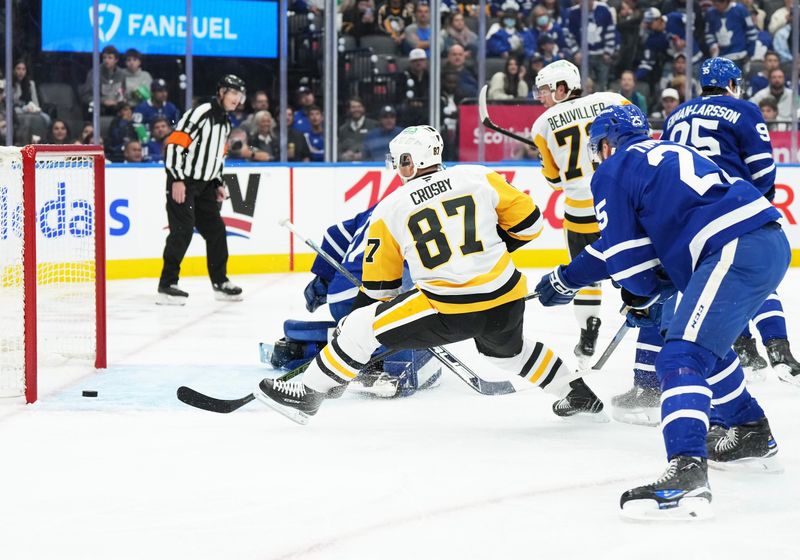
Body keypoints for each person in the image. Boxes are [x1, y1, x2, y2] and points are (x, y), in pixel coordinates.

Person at [535, 103, 789, 519]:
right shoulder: (668, 154)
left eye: (598, 149)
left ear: (604, 144)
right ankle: (749, 431)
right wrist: (566, 278)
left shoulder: (613, 170)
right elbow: (615, 252)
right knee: (702, 343)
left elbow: (630, 263)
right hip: (762, 240)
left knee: (679, 355)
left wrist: (642, 295)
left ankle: (687, 473)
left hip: (730, 248)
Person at [254, 125, 579, 424]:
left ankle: (307, 397)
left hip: (449, 308)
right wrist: (488, 253)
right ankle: (579, 395)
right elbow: (531, 224)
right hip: (507, 299)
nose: (395, 167)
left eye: (398, 160)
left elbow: (381, 288)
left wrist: (350, 334)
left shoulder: (392, 205)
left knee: (358, 326)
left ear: (409, 161)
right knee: (510, 354)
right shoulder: (478, 176)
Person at [664, 58, 800, 386]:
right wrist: (755, 203)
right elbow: (765, 173)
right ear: (732, 85)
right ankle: (777, 347)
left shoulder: (674, 116)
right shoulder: (744, 110)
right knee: (754, 275)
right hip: (730, 206)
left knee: (717, 281)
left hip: (685, 218)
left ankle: (745, 349)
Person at [530, 60, 630, 417]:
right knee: (633, 263)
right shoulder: (612, 99)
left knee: (585, 272)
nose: (540, 97)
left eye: (544, 89)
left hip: (580, 211)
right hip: (620, 202)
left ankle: (589, 328)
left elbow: (555, 181)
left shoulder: (541, 126)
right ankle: (645, 311)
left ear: (561, 87)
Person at [268, 206, 440, 398]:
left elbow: (335, 234)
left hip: (339, 297)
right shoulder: (423, 206)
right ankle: (394, 367)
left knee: (358, 330)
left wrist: (322, 281)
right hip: (375, 293)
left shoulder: (381, 206)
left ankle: (303, 347)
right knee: (410, 325)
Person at [157, 74, 247, 305]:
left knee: (216, 231)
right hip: (184, 182)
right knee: (182, 231)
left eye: (239, 94)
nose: (237, 98)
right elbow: (176, 144)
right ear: (221, 92)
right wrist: (176, 178)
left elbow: (218, 155)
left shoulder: (225, 121)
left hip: (206, 186)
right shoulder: (201, 113)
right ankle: (167, 285)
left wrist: (217, 182)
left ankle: (220, 282)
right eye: (233, 93)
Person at [563, 0, 617, 91]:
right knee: (585, 85)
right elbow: (569, 35)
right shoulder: (573, 12)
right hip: (583, 56)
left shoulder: (603, 9)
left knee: (602, 85)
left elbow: (610, 31)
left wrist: (608, 51)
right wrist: (576, 52)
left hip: (601, 54)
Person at [704, 0, 757, 70]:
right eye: (714, 3)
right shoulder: (710, 13)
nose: (716, 6)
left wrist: (750, 53)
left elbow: (751, 32)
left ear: (726, 2)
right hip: (719, 57)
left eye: (718, 3)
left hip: (739, 55)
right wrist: (712, 44)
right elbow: (708, 33)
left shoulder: (741, 10)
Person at [11, 60, 50, 144]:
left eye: (23, 69)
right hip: (16, 111)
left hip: (31, 110)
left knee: (46, 118)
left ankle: (42, 142)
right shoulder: (9, 83)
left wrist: (34, 108)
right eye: (18, 69)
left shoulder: (30, 84)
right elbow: (11, 104)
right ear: (13, 70)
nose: (21, 72)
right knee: (27, 119)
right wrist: (24, 109)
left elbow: (36, 103)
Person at [80, 45, 124, 116]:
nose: (106, 60)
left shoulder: (121, 74)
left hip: (117, 108)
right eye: (104, 57)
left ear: (116, 60)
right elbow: (85, 96)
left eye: (110, 58)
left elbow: (124, 93)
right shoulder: (94, 73)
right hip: (99, 108)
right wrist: (103, 101)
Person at [338, 97, 376, 162]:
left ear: (363, 108)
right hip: (348, 167)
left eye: (359, 106)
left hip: (369, 166)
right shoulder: (343, 129)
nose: (356, 109)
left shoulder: (374, 126)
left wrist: (364, 154)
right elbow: (339, 151)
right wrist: (344, 156)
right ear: (349, 110)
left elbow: (379, 148)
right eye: (353, 107)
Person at [398, 48, 430, 126]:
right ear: (410, 63)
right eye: (415, 61)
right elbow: (400, 96)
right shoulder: (403, 76)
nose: (418, 63)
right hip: (409, 108)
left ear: (425, 61)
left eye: (421, 60)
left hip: (426, 107)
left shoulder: (429, 76)